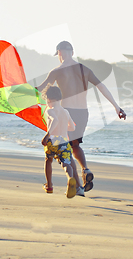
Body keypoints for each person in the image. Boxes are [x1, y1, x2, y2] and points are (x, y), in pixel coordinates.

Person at [36, 41, 126, 195]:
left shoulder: (56, 71)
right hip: (83, 112)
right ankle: (85, 169)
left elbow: (40, 90)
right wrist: (117, 107)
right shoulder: (85, 69)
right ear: (72, 52)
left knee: (66, 148)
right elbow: (101, 87)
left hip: (65, 112)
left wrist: (19, 88)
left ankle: (77, 186)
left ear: (60, 52)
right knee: (75, 144)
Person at [41, 85, 77, 199]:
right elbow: (72, 128)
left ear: (49, 99)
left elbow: (55, 120)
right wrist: (63, 128)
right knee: (66, 162)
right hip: (64, 141)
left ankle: (49, 185)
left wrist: (47, 135)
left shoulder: (50, 110)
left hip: (53, 140)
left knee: (48, 160)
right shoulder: (65, 112)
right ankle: (70, 178)